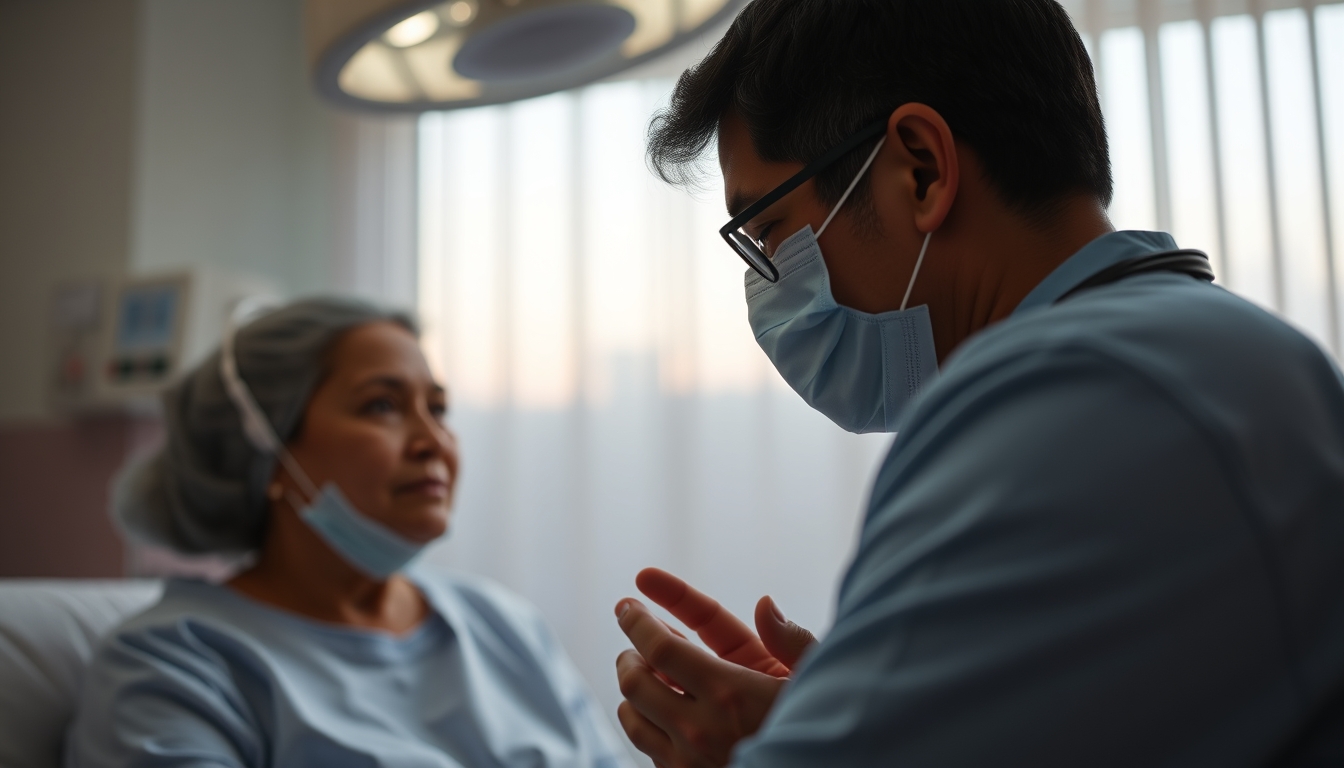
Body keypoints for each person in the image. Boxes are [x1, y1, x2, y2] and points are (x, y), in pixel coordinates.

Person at [610, 0, 1344, 766]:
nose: (766, 294)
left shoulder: (1064, 399)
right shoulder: (1213, 357)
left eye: (767, 231)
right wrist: (870, 715)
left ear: (920, 169)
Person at [67, 298, 631, 768]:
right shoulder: (173, 666)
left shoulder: (503, 626)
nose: (433, 440)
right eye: (382, 405)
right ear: (268, 452)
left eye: (438, 407)